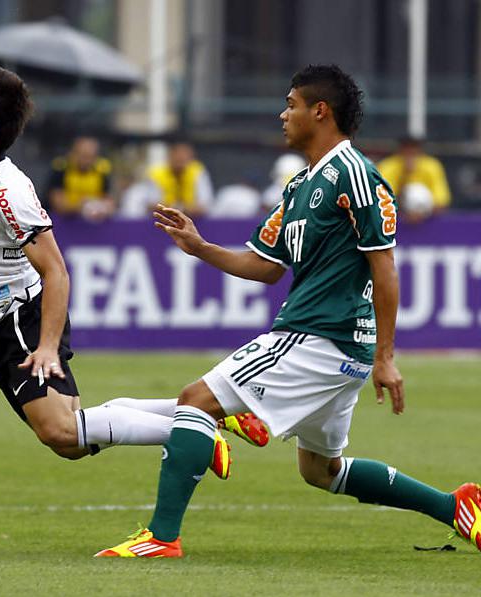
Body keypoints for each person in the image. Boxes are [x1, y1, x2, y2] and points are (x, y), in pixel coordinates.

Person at [96, 64, 480, 558]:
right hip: (339, 349)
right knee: (321, 471)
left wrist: (387, 357)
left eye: (291, 105)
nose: (283, 114)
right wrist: (201, 247)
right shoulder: (300, 186)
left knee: (196, 402)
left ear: (320, 111)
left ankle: (161, 537)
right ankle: (455, 507)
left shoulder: (354, 174)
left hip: (319, 336)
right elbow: (265, 266)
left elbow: (384, 267)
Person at [0, 67, 267, 464]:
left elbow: (55, 271)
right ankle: (211, 412)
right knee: (71, 437)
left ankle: (196, 434)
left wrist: (46, 347)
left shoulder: (6, 191)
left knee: (60, 430)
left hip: (18, 316)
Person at [377, 136, 451, 221]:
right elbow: (381, 200)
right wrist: (404, 175)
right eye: (406, 147)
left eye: (414, 147)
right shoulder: (387, 166)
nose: (410, 152)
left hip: (427, 218)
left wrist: (421, 212)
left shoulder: (432, 166)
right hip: (396, 217)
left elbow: (441, 202)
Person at [46, 136, 115, 221]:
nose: (87, 161)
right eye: (83, 156)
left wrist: (101, 208)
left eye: (91, 157)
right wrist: (82, 206)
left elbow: (109, 202)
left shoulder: (102, 171)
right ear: (73, 153)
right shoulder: (61, 169)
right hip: (63, 221)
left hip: (92, 222)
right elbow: (57, 203)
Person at [146, 142, 215, 217]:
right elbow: (152, 205)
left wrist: (179, 209)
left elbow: (205, 204)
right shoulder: (157, 174)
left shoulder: (198, 172)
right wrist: (179, 209)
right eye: (177, 157)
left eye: (184, 158)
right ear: (169, 157)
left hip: (193, 219)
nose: (180, 160)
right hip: (164, 219)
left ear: (191, 158)